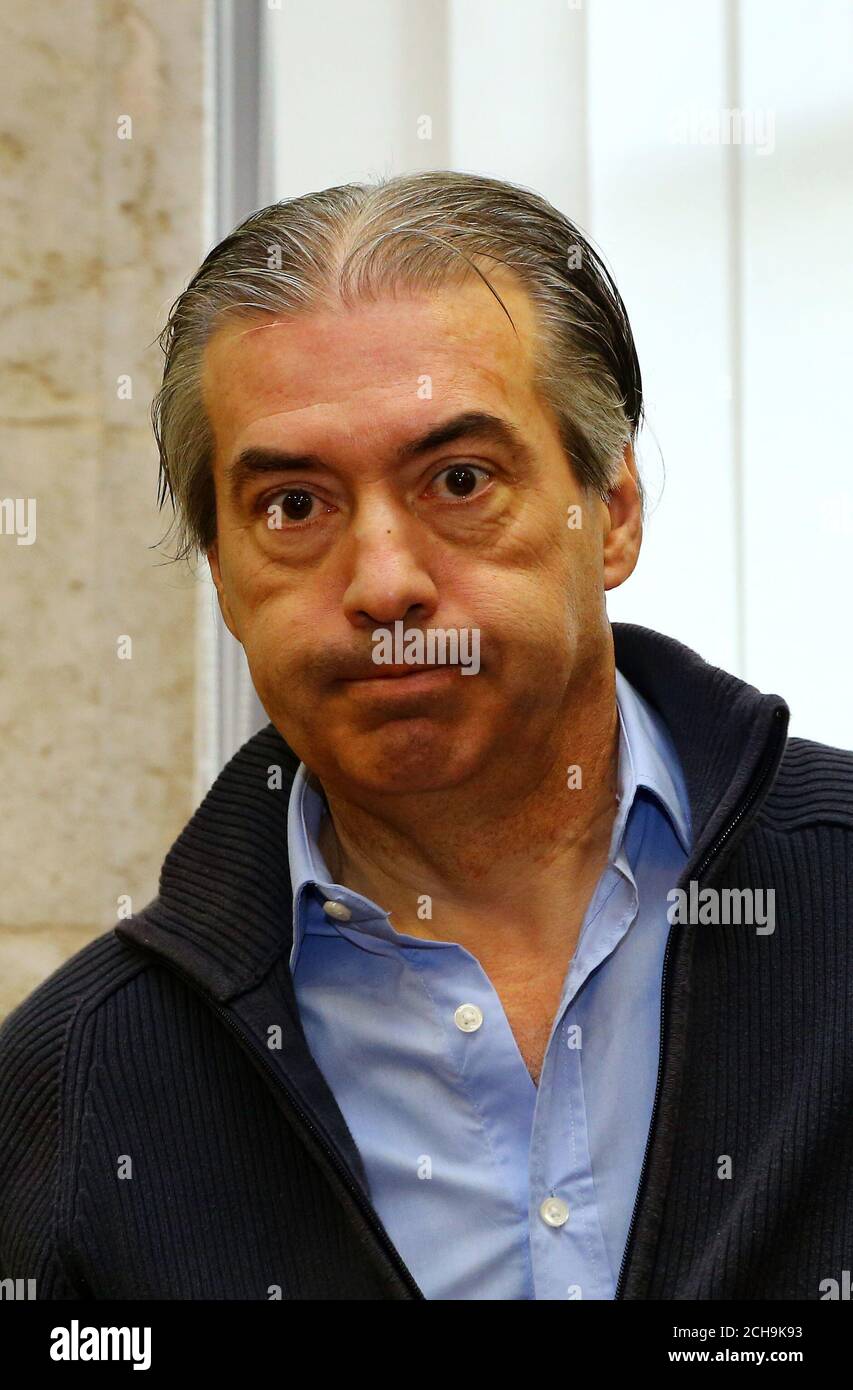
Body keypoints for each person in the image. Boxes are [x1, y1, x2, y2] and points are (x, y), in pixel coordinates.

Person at [1, 171, 851, 1301]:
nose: (384, 583)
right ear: (223, 574)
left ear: (612, 512)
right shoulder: (79, 1087)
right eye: (294, 506)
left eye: (459, 480)